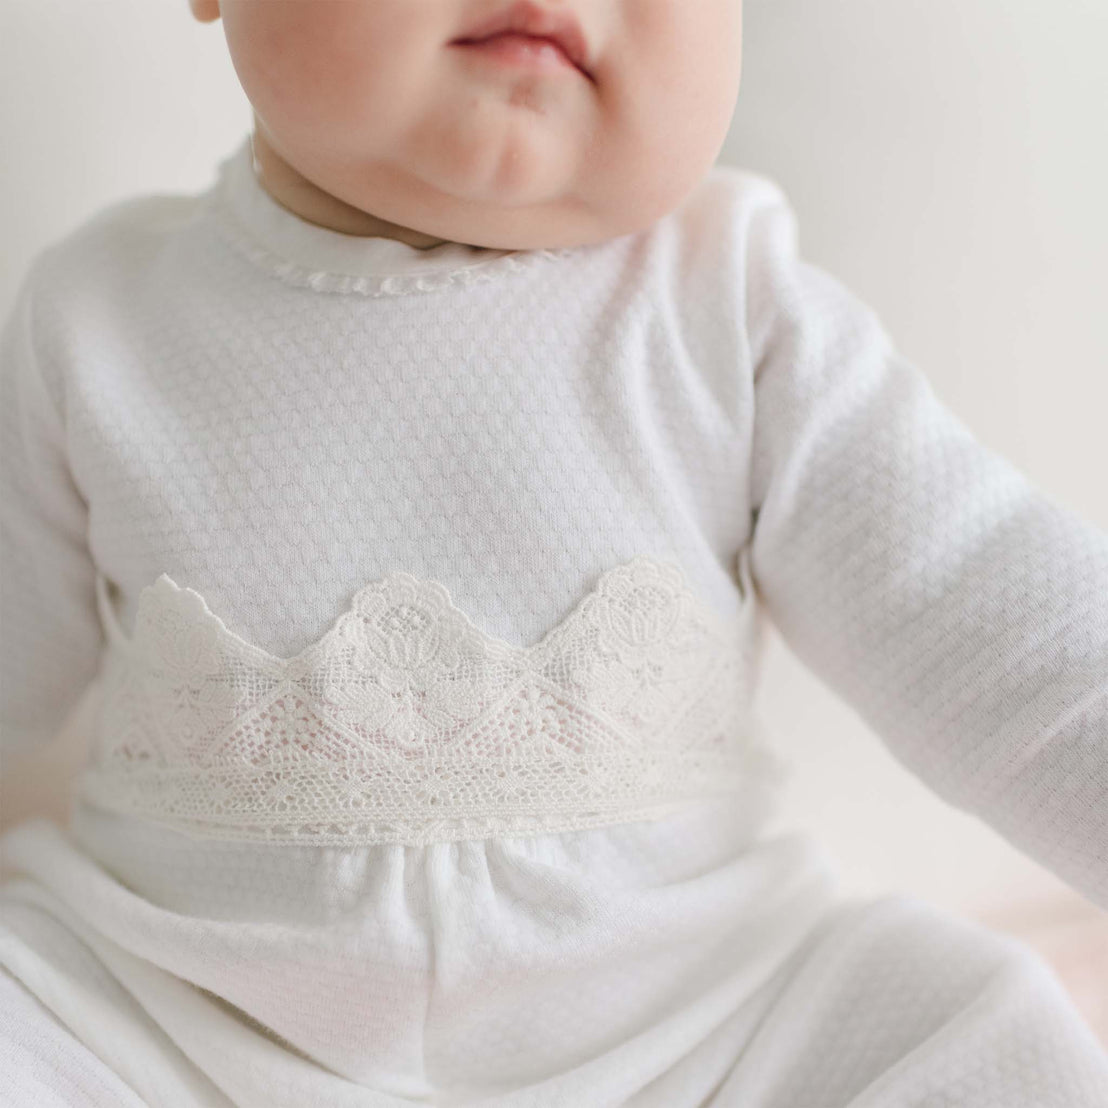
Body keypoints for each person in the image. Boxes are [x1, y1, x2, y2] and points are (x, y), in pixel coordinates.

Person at [2, 1, 1106, 1104]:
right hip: (161, 1021)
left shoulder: (729, 303)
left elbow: (1000, 630)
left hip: (710, 1025)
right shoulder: (95, 317)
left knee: (984, 1032)